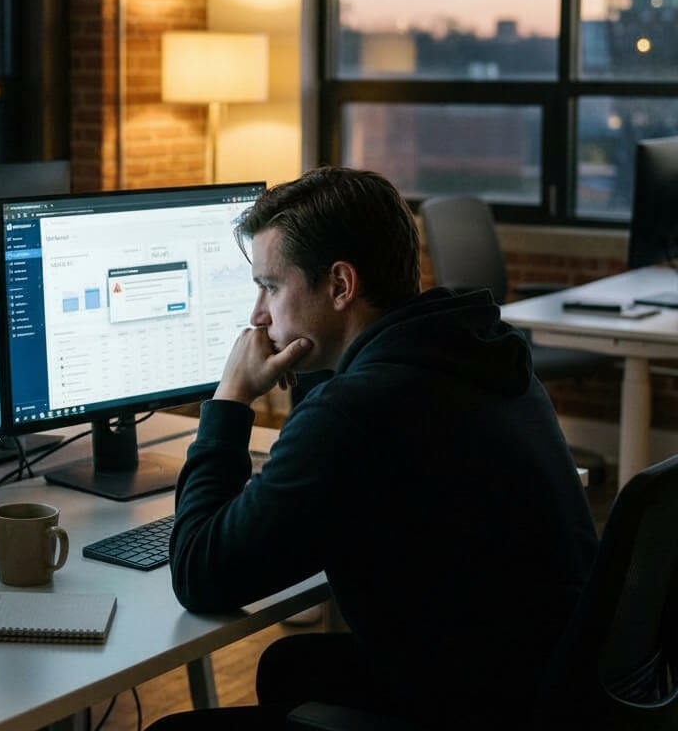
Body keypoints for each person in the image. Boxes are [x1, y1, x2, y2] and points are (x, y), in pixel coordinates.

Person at [150, 167, 598, 731]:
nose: (257, 315)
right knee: (294, 667)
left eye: (269, 286)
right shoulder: (476, 353)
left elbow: (198, 572)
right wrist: (320, 365)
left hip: (474, 709)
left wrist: (230, 400)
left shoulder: (360, 411)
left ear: (340, 285)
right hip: (549, 686)